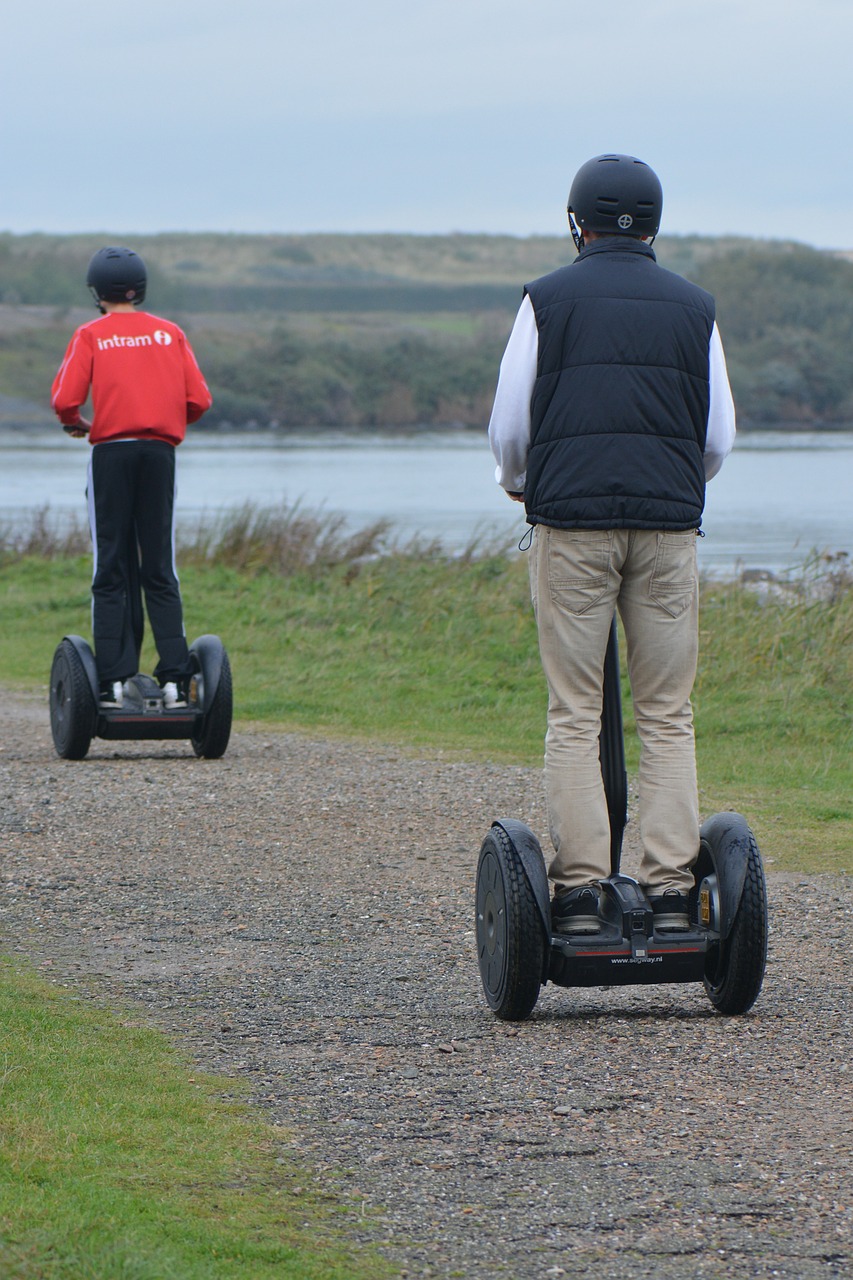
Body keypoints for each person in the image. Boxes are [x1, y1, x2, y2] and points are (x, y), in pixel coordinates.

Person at [488, 153, 736, 936]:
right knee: (666, 711)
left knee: (575, 709)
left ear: (576, 223)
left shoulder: (545, 300)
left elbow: (511, 422)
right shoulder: (694, 306)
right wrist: (674, 481)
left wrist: (515, 477)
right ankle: (668, 890)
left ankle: (582, 892)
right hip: (666, 526)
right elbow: (717, 437)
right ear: (654, 223)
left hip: (572, 526)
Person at [51, 246, 212, 708]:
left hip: (111, 455)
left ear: (96, 292)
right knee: (160, 567)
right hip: (160, 454)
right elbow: (199, 400)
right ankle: (178, 683)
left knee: (111, 566)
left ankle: (113, 681)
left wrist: (80, 423)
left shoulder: (90, 334)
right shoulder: (169, 333)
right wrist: (161, 422)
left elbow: (64, 399)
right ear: (140, 289)